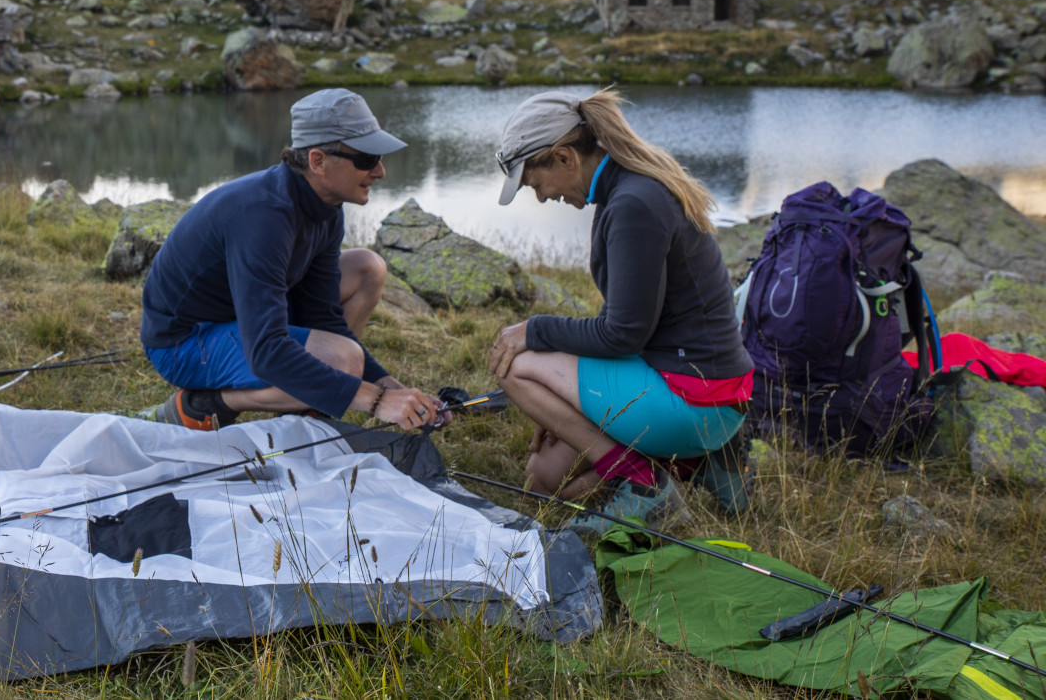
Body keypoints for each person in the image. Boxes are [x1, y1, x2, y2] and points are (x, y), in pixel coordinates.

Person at [487, 89, 753, 529]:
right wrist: (564, 405)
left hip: (694, 398)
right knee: (545, 479)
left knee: (516, 366)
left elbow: (623, 334)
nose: (539, 198)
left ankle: (645, 482)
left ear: (565, 158)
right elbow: (639, 327)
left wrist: (533, 330)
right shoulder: (630, 188)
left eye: (535, 184)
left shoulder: (633, 204)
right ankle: (700, 464)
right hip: (708, 392)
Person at [137, 88, 450, 432]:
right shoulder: (263, 217)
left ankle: (310, 404)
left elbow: (322, 315)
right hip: (184, 342)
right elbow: (267, 350)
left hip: (244, 320)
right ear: (317, 161)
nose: (380, 171)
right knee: (344, 361)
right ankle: (204, 405)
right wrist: (374, 401)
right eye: (366, 159)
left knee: (366, 268)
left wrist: (393, 389)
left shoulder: (326, 207)